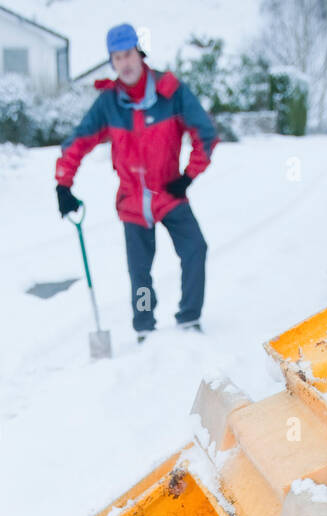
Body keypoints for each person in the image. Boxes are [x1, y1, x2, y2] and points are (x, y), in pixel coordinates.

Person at [55, 23, 218, 341]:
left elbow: (205, 133)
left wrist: (188, 176)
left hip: (169, 191)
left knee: (195, 249)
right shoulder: (109, 103)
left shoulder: (171, 92)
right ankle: (145, 327)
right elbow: (78, 142)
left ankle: (189, 318)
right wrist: (63, 184)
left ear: (139, 54)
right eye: (116, 58)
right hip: (132, 198)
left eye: (128, 54)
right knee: (140, 272)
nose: (124, 64)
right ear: (112, 62)